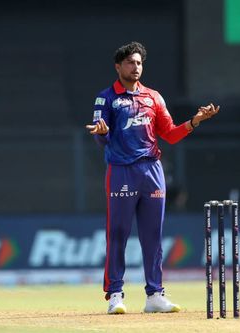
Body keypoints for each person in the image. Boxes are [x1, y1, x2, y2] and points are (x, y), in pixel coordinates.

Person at [86, 41, 219, 314]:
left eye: (139, 63)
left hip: (152, 171)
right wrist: (101, 132)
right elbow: (103, 139)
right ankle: (115, 295)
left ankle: (155, 295)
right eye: (130, 63)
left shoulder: (153, 97)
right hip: (122, 170)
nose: (136, 67)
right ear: (118, 66)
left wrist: (194, 122)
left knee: (153, 236)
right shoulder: (107, 97)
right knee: (118, 233)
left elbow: (169, 134)